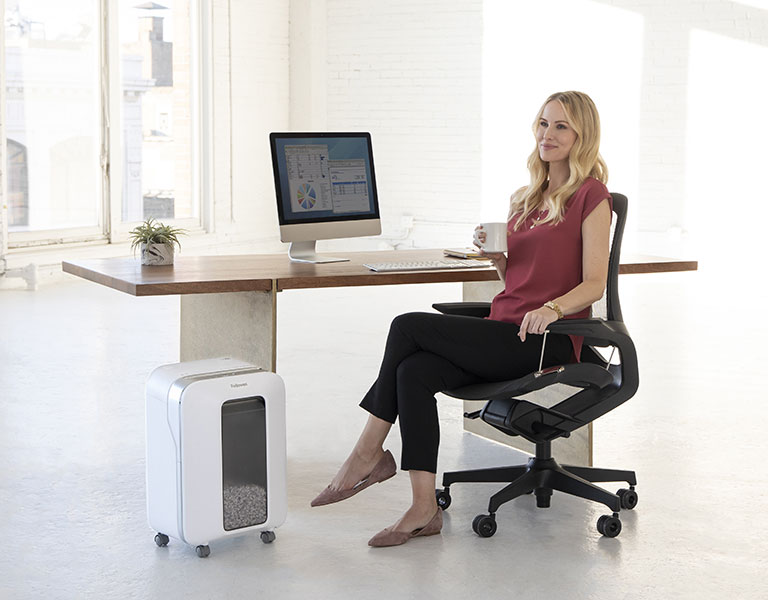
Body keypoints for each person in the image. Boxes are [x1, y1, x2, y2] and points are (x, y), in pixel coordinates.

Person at [310, 91, 613, 547]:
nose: (547, 135)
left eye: (561, 127)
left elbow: (595, 284)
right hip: (502, 327)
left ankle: (368, 452)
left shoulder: (592, 195)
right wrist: (498, 260)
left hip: (542, 338)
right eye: (543, 123)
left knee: (406, 325)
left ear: (582, 135)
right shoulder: (526, 197)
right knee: (413, 371)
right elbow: (521, 280)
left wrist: (551, 310)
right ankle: (422, 508)